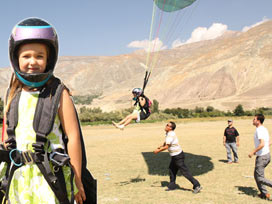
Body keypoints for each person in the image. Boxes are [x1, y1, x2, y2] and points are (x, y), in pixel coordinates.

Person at [0, 17, 86, 204]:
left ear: (49, 59)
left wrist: (78, 180)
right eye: (26, 56)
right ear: (16, 58)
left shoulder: (58, 93)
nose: (33, 61)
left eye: (39, 56)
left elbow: (73, 137)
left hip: (49, 179)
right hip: (18, 178)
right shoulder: (11, 95)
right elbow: (6, 135)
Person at [153, 121, 202, 193]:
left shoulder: (170, 135)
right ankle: (172, 186)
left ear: (170, 128)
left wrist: (158, 151)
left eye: (167, 125)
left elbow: (167, 146)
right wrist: (161, 145)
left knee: (185, 172)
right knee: (172, 169)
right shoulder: (169, 133)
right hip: (175, 156)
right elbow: (166, 142)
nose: (165, 126)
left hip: (177, 156)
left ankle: (197, 185)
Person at [248, 114, 272, 200]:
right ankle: (264, 194)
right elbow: (269, 141)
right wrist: (264, 149)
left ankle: (265, 193)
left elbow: (262, 144)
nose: (252, 120)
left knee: (259, 177)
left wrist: (253, 152)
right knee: (256, 175)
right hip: (266, 155)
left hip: (262, 157)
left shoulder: (259, 130)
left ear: (258, 121)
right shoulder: (264, 129)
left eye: (254, 119)